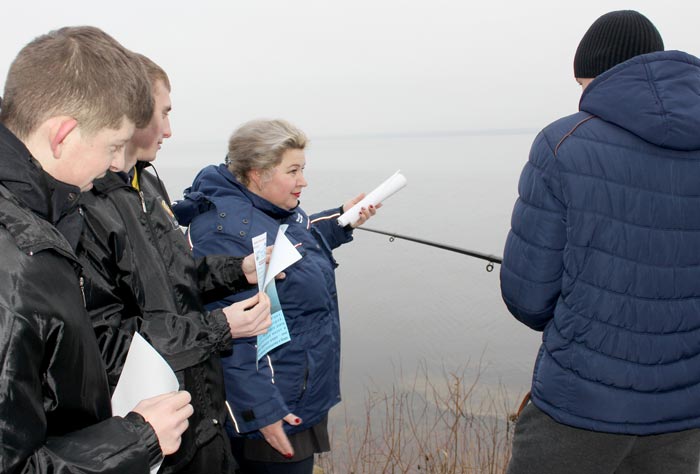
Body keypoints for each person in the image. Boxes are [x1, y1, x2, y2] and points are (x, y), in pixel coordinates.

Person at [500, 10, 700, 474]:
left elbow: (528, 298)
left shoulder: (562, 143)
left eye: (582, 83)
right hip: (683, 411)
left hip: (580, 405)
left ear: (599, 76)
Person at [0, 26, 194, 474]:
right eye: (112, 145)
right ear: (62, 135)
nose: (114, 163)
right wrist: (140, 438)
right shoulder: (18, 263)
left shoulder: (43, 222)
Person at [75, 54, 272, 474]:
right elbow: (106, 341)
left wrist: (238, 271)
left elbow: (176, 278)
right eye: (163, 113)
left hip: (201, 415)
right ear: (128, 111)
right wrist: (220, 327)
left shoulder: (147, 182)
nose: (168, 130)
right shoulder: (87, 205)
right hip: (154, 429)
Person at [172, 119, 378, 473]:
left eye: (303, 169)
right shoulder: (225, 234)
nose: (303, 181)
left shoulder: (273, 211)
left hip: (295, 393)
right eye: (293, 171)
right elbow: (229, 335)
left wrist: (340, 221)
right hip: (269, 413)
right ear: (258, 173)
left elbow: (298, 242)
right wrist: (263, 413)